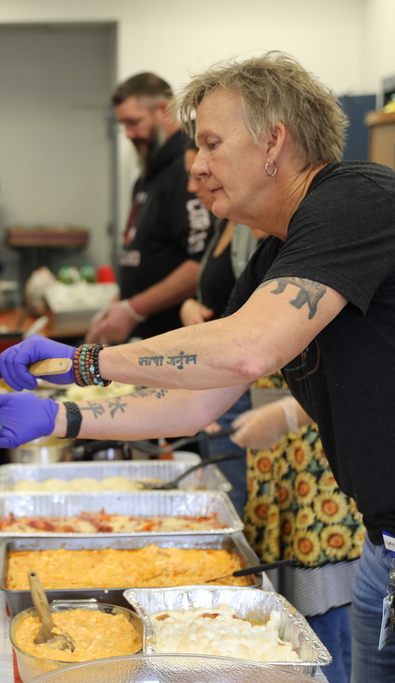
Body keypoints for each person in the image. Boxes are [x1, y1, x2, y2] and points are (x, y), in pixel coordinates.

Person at [0, 51, 395, 682]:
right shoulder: (277, 252)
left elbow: (245, 349)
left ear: (274, 141)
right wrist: (60, 416)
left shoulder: (359, 202)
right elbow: (199, 397)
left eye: (211, 144)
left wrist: (85, 362)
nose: (196, 172)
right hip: (393, 543)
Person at [231, 375, 363, 683]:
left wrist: (286, 414)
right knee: (293, 603)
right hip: (273, 448)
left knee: (315, 606)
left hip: (313, 458)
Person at [87, 72, 209, 344]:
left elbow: (199, 261)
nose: (129, 134)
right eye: (123, 125)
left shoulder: (186, 169)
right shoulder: (148, 173)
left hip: (178, 337)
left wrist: (134, 309)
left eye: (134, 122)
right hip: (147, 336)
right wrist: (118, 307)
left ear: (163, 110)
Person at [178, 137, 264, 513]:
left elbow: (254, 323)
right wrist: (188, 308)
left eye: (211, 149)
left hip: (245, 392)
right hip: (219, 380)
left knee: (235, 506)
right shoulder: (222, 221)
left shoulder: (256, 231)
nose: (195, 178)